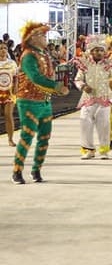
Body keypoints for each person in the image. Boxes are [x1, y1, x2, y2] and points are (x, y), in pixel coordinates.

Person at [11, 23, 70, 184]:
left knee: (44, 136)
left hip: (44, 101)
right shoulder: (28, 56)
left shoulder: (43, 54)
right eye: (42, 35)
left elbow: (47, 76)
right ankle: (17, 170)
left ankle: (36, 169)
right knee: (27, 135)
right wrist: (57, 87)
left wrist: (54, 89)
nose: (45, 38)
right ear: (32, 39)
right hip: (29, 101)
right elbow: (35, 78)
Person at [73, 34, 112, 160]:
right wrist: (83, 86)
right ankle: (88, 150)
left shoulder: (109, 65)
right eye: (96, 50)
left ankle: (104, 150)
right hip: (88, 99)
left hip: (105, 99)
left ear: (105, 52)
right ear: (91, 52)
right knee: (84, 122)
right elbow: (77, 79)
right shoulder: (85, 65)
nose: (99, 53)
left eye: (101, 50)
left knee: (104, 124)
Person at [0, 42, 18, 146]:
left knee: (8, 114)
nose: (3, 50)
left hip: (9, 92)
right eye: (1, 48)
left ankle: (10, 139)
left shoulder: (12, 63)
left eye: (5, 48)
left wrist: (16, 86)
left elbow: (16, 76)